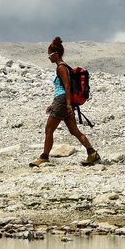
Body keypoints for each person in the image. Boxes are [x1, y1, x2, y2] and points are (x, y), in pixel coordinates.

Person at [31, 37, 99, 167]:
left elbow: (66, 87)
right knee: (74, 131)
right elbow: (62, 87)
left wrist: (67, 105)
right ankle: (92, 153)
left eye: (50, 55)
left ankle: (44, 157)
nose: (49, 58)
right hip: (63, 101)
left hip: (62, 101)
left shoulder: (61, 68)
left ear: (56, 54)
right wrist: (53, 104)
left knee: (49, 129)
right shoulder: (65, 67)